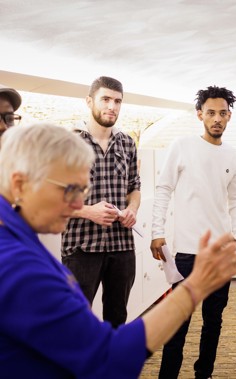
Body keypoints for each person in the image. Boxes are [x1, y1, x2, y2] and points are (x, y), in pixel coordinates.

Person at [0, 123, 236, 378]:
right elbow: (107, 358)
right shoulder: (20, 268)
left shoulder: (18, 238)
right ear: (20, 184)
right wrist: (194, 289)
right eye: (70, 189)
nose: (80, 204)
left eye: (83, 190)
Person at [150, 85, 236, 379]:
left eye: (222, 113)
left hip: (219, 253)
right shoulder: (182, 146)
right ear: (200, 114)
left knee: (213, 322)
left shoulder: (232, 155)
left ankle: (203, 374)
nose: (217, 118)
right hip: (187, 254)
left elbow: (235, 202)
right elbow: (164, 188)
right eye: (211, 113)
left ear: (229, 116)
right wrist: (156, 230)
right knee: (178, 321)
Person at [61, 76, 141, 328]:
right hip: (82, 247)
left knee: (117, 318)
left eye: (118, 101)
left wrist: (132, 209)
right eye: (105, 99)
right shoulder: (67, 143)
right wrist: (88, 211)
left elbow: (134, 187)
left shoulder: (127, 143)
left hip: (122, 246)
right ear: (89, 101)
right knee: (76, 320)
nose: (112, 106)